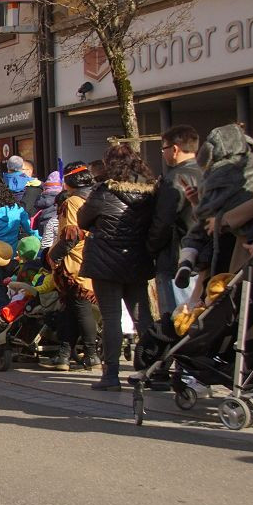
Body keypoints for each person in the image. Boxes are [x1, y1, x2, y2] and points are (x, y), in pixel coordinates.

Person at [77, 144, 157, 390]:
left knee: (112, 318)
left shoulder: (103, 192)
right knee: (142, 315)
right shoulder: (150, 193)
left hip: (106, 261)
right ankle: (151, 368)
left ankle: (111, 375)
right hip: (137, 260)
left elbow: (83, 219)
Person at [174, 123, 253, 288]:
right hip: (226, 242)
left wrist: (221, 219)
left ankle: (187, 259)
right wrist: (196, 202)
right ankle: (187, 259)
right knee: (225, 295)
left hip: (242, 242)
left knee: (232, 295)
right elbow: (207, 215)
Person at [40, 163, 101, 371]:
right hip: (90, 257)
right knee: (70, 311)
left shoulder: (73, 201)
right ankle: (64, 355)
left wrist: (52, 256)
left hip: (74, 263)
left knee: (81, 308)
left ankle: (91, 354)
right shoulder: (94, 198)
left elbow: (70, 236)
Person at [147, 125, 203, 318]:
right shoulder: (207, 173)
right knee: (198, 315)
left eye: (163, 149)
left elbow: (163, 220)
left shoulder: (174, 179)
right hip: (202, 256)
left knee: (178, 319)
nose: (163, 154)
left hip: (175, 257)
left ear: (175, 149)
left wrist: (151, 247)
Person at [0, 179, 37, 316]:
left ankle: (0, 321)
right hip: (14, 257)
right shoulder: (18, 210)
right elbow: (31, 230)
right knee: (15, 292)